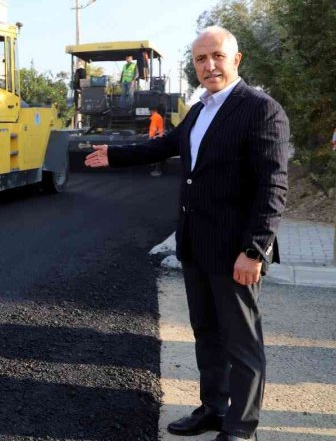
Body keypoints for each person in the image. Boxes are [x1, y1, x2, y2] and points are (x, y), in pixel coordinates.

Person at [86, 26, 288, 441]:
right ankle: (214, 408)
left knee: (242, 343)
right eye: (200, 59)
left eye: (216, 56)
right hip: (196, 245)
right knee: (207, 334)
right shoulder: (199, 110)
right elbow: (165, 146)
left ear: (236, 59)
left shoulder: (260, 109)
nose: (209, 65)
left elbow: (274, 186)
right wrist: (115, 155)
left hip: (236, 250)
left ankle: (241, 428)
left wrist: (256, 249)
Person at [148, 107, 165, 176]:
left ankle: (157, 171)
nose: (150, 112)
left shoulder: (155, 117)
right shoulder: (157, 116)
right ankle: (156, 165)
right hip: (158, 136)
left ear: (152, 110)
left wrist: (151, 137)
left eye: (150, 111)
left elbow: (154, 128)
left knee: (156, 153)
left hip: (156, 137)